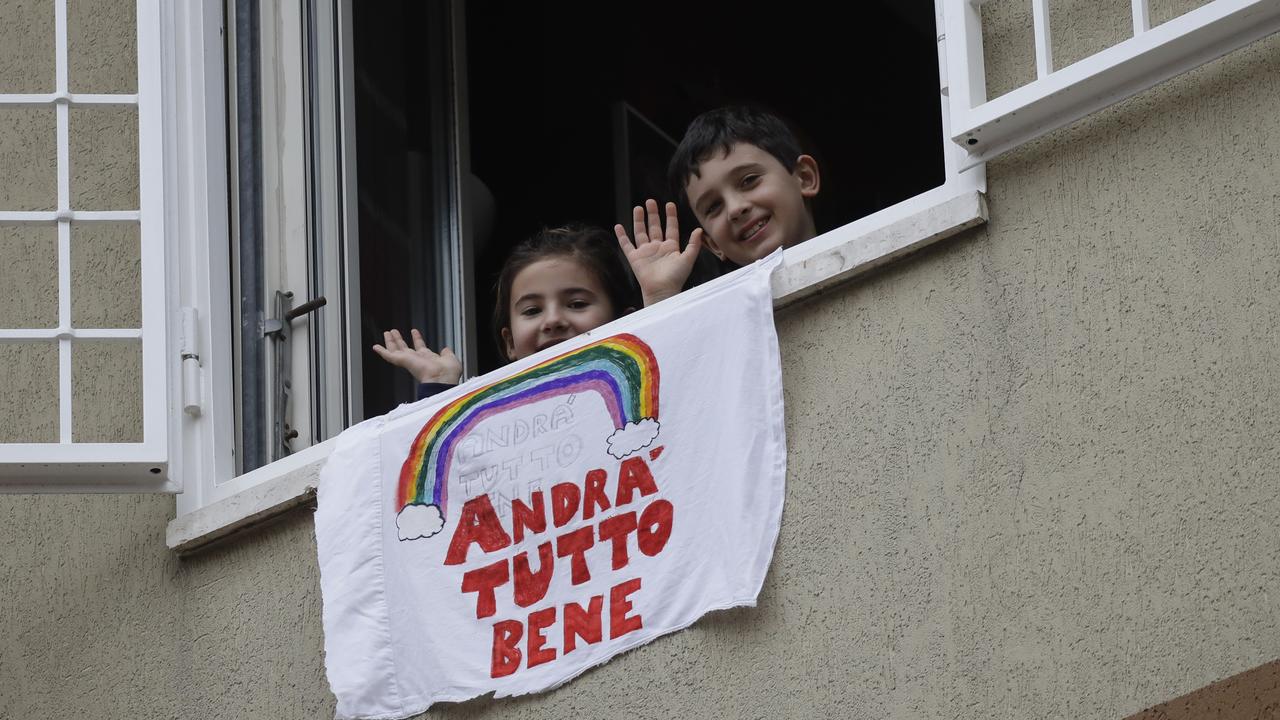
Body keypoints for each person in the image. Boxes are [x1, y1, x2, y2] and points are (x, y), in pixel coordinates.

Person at [374, 224, 637, 399]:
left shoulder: (639, 388)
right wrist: (438, 385)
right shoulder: (500, 423)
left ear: (624, 320)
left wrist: (661, 296)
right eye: (533, 310)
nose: (553, 320)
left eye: (577, 304)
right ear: (509, 342)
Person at [615, 105, 821, 306]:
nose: (734, 209)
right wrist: (661, 296)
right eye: (713, 207)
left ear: (804, 177)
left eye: (749, 180)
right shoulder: (722, 315)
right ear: (713, 244)